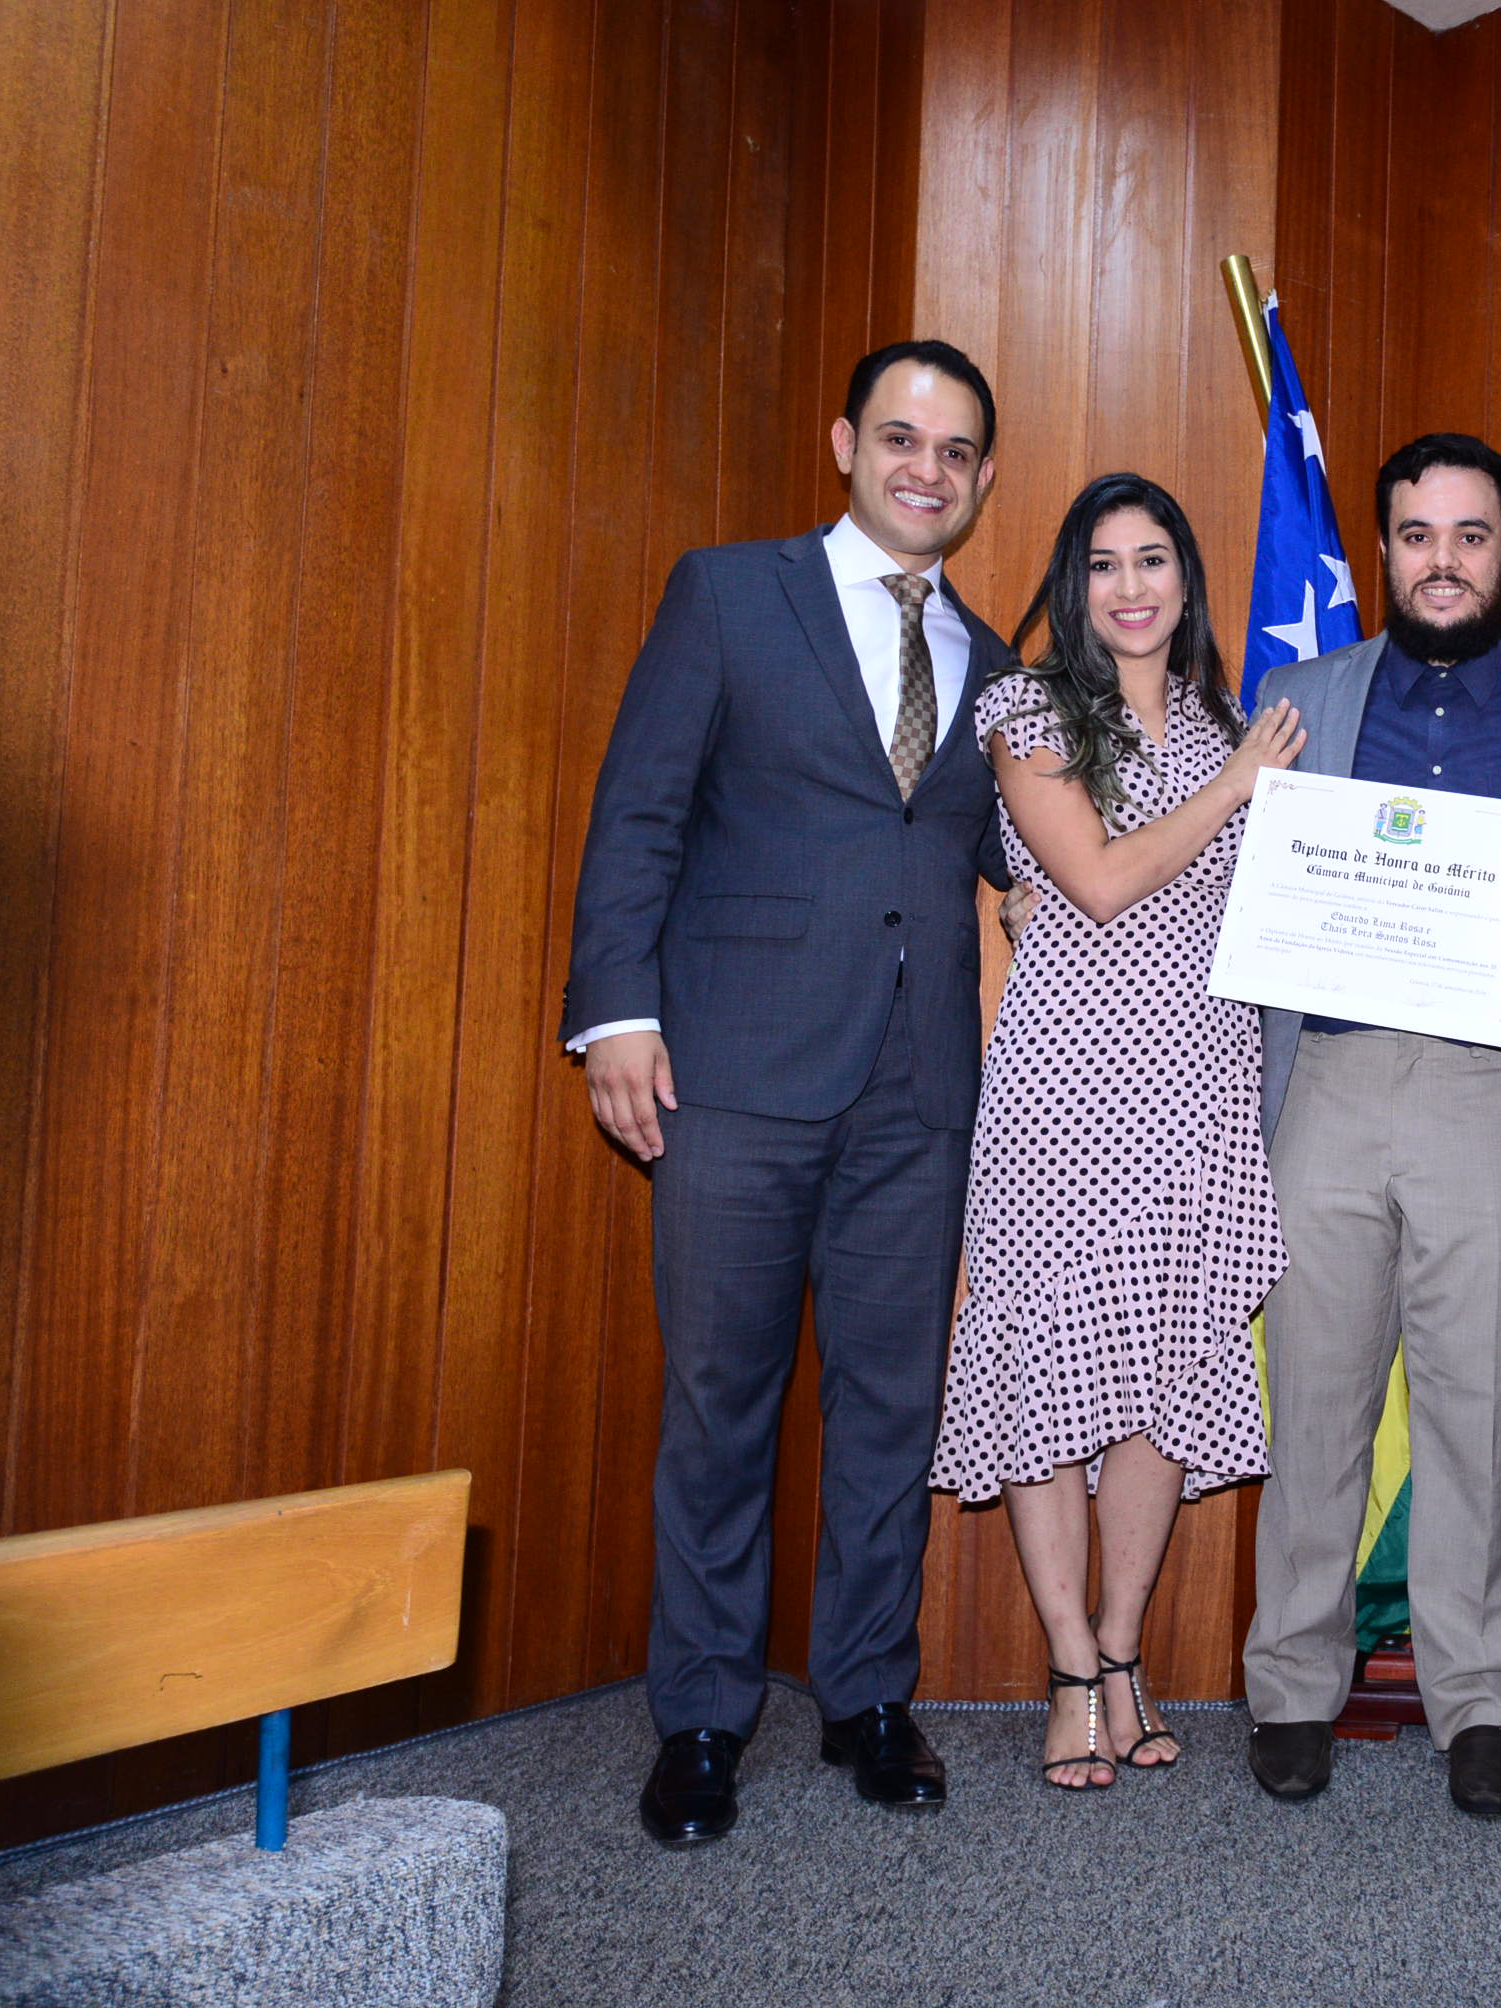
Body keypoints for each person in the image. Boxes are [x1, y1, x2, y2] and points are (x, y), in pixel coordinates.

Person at [563, 340, 1011, 1847]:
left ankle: (869, 1698)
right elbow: (639, 810)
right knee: (720, 1402)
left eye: (955, 452)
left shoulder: (994, 665)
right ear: (844, 443)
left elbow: (1023, 856)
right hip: (732, 1073)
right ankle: (700, 1717)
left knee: (891, 1407)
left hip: (916, 1091)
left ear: (981, 478)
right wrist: (616, 1016)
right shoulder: (727, 594)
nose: (926, 470)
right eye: (901, 439)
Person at [1240, 433, 1501, 1821]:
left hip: (1493, 1082)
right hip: (1329, 1081)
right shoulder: (1297, 695)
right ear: (1384, 549)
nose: (1444, 561)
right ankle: (1295, 1685)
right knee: (1316, 1398)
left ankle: (1480, 1702)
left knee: (1478, 1403)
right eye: (1418, 535)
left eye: (1472, 535)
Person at [929, 473, 1303, 1790]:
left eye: (1153, 560)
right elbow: (1093, 881)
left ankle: (1127, 1650)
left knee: (1167, 1367)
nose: (1130, 587)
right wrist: (1242, 787)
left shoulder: (1227, 726)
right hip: (1064, 1096)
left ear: (1187, 581)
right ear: (1073, 585)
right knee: (1046, 1367)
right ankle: (1070, 1669)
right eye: (1103, 564)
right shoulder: (1028, 713)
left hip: (1201, 1087)